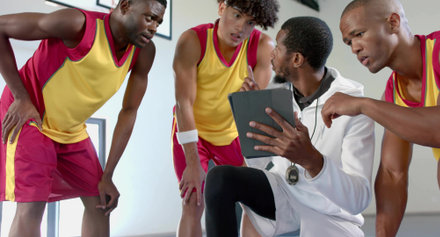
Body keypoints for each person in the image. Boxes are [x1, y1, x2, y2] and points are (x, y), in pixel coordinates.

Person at [0, 0, 166, 236]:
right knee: (33, 205)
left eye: (158, 22)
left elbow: (129, 111)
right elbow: (1, 27)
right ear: (126, 5)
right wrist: (20, 97)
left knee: (101, 201)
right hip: (30, 116)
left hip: (70, 129)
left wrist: (108, 175)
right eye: (149, 18)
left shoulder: (144, 52)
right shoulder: (77, 24)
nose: (153, 28)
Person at [204, 16, 375, 237]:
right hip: (284, 193)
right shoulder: (280, 94)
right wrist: (254, 116)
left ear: (296, 59)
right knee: (220, 178)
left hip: (327, 211)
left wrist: (312, 160)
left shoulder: (353, 105)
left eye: (278, 48)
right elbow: (261, 166)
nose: (271, 53)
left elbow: (358, 200)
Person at [321, 0, 440, 235]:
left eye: (358, 34)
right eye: (349, 42)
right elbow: (393, 175)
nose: (354, 48)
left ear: (393, 22)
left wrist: (364, 105)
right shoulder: (394, 96)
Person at [171, 0, 279, 236]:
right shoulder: (192, 41)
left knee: (251, 202)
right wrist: (192, 161)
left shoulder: (262, 46)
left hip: (232, 132)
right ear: (221, 7)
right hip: (193, 131)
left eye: (250, 22)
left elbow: (254, 110)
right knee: (193, 201)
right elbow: (183, 103)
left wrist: (253, 97)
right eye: (237, 15)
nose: (241, 27)